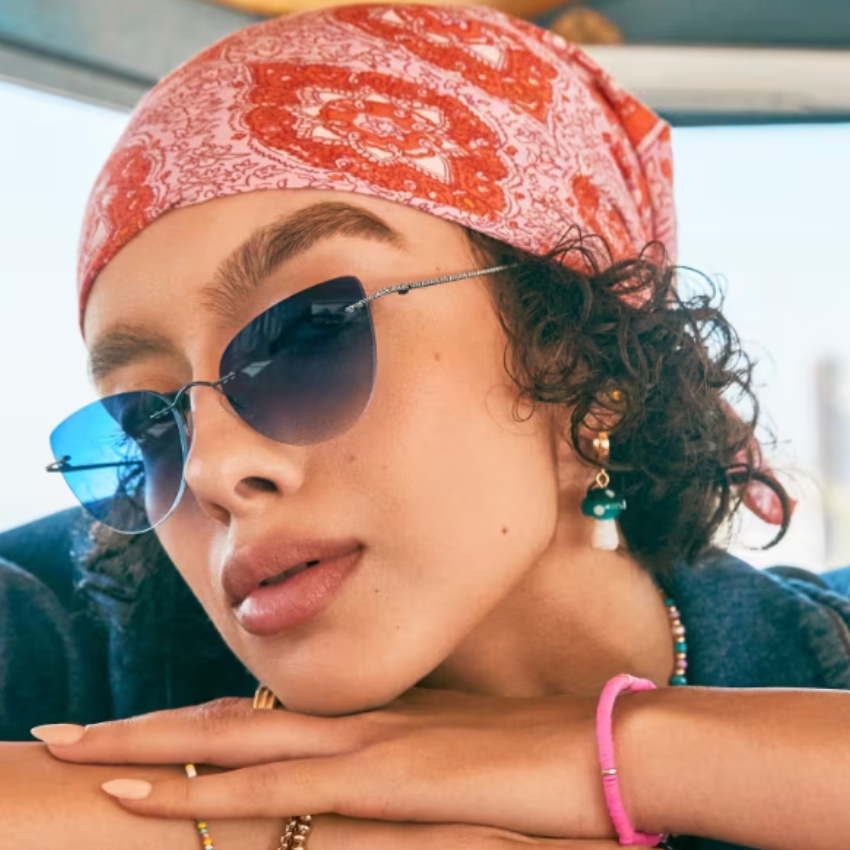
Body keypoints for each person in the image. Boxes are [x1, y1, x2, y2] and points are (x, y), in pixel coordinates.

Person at [1, 4, 849, 849]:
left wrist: (637, 756)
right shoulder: (58, 630)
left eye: (309, 335)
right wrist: (256, 826)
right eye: (148, 423)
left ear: (585, 368)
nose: (213, 469)